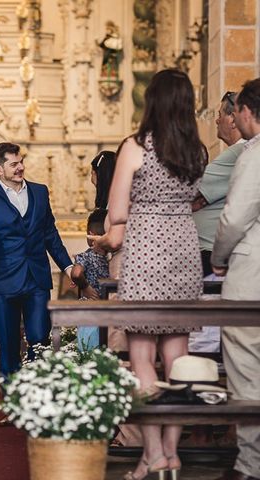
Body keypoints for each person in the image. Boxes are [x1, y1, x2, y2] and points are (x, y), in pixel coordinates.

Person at [93, 69, 207, 480]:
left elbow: (118, 211)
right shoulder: (197, 150)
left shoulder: (136, 146)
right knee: (177, 359)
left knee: (141, 357)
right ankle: (169, 455)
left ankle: (154, 451)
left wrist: (110, 231)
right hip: (184, 252)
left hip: (145, 253)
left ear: (152, 102)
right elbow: (194, 199)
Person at [0, 142, 73, 392]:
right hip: (3, 282)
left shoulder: (40, 192)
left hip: (36, 279)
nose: (21, 168)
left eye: (21, 161)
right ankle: (12, 402)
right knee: (8, 345)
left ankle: (38, 400)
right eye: (14, 164)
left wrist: (68, 267)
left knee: (39, 340)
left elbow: (50, 233)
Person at [211, 79, 260, 480]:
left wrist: (220, 259)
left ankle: (250, 465)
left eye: (237, 111)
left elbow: (235, 217)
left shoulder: (253, 153)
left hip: (252, 276)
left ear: (247, 112)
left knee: (246, 368)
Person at [189, 91, 245, 356]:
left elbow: (192, 196)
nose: (216, 121)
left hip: (213, 257)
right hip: (212, 254)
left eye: (221, 114)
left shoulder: (237, 153)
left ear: (234, 118)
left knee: (204, 337)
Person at [71, 208, 109, 351]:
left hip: (89, 307)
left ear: (91, 235)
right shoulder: (112, 257)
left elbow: (76, 273)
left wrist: (85, 286)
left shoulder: (85, 256)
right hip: (109, 308)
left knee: (87, 349)